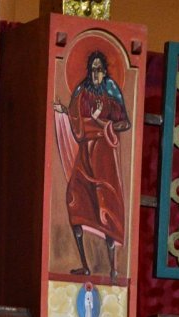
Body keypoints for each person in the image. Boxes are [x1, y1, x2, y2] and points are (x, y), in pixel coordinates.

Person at [54, 51, 130, 280]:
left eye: (99, 69)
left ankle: (113, 269)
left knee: (107, 206)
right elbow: (77, 122)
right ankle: (85, 265)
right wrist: (65, 113)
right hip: (86, 155)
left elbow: (124, 122)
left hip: (104, 159)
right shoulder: (82, 91)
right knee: (75, 200)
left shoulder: (112, 91)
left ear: (105, 70)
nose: (95, 74)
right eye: (92, 69)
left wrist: (103, 124)